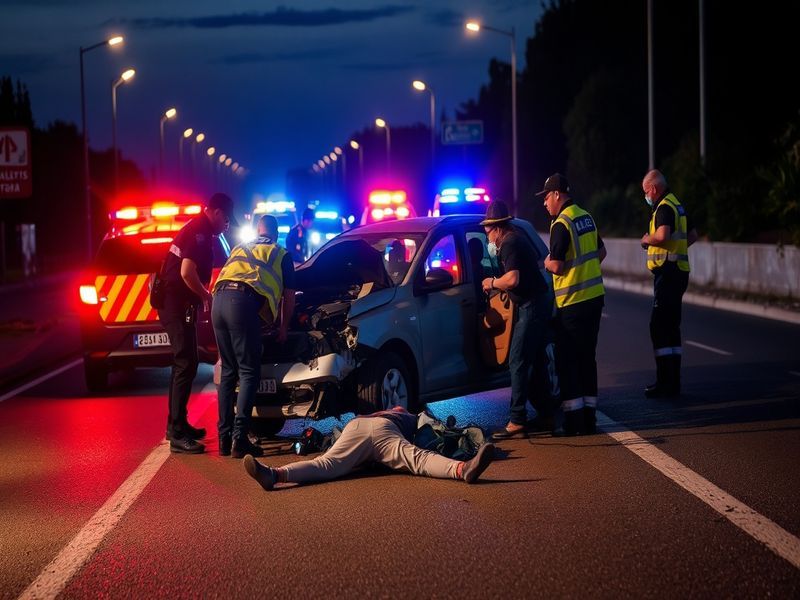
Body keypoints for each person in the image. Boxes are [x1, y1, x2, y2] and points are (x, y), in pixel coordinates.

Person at [241, 406, 496, 490]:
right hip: (386, 432)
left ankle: (274, 474)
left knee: (325, 464)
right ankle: (462, 469)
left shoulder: (378, 412)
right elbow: (434, 436)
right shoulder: (409, 416)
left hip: (357, 428)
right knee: (419, 459)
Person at [212, 215, 296, 458]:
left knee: (228, 371)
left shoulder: (240, 247)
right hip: (242, 304)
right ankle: (241, 439)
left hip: (219, 301)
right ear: (276, 233)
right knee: (249, 371)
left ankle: (223, 440)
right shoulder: (281, 253)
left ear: (257, 230)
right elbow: (289, 298)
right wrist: (283, 327)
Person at [158, 192, 235, 454]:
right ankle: (177, 434)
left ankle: (177, 425)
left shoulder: (201, 230)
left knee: (187, 363)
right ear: (215, 212)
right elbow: (186, 272)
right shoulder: (199, 232)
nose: (226, 224)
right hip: (173, 304)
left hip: (180, 304)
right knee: (184, 363)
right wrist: (205, 295)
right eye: (225, 218)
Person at [480, 200, 553, 439]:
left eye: (488, 230)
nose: (486, 235)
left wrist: (492, 283)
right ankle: (546, 413)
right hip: (537, 301)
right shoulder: (516, 238)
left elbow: (513, 279)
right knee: (537, 360)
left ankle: (517, 420)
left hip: (532, 305)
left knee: (518, 359)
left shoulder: (510, 242)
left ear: (498, 228)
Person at [540, 174, 606, 436]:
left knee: (568, 362)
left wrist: (545, 262)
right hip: (594, 299)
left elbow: (556, 265)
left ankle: (573, 423)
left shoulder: (561, 223)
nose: (544, 203)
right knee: (588, 359)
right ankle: (589, 419)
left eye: (546, 197)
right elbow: (601, 252)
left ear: (557, 194)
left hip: (572, 303)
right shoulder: (586, 216)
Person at [640, 169, 698, 398]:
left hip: (668, 274)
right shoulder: (678, 205)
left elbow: (662, 235)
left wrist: (647, 240)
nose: (646, 196)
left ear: (654, 189)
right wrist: (678, 249)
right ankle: (673, 382)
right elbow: (692, 235)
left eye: (646, 192)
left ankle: (665, 382)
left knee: (659, 327)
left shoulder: (664, 207)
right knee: (672, 329)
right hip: (679, 272)